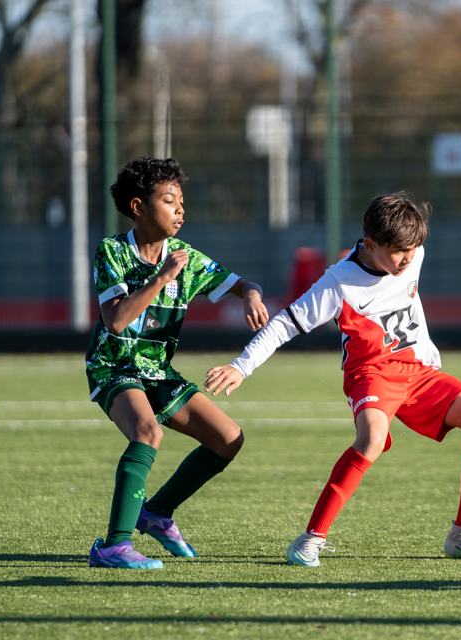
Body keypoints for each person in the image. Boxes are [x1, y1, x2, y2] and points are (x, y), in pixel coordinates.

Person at [205, 193, 461, 566]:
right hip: (372, 374)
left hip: (419, 372)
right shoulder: (338, 283)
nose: (409, 259)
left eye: (414, 249)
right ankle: (310, 539)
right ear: (370, 245)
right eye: (399, 252)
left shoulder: (412, 254)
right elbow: (284, 324)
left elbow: (406, 281)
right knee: (372, 440)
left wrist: (424, 344)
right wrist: (241, 365)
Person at [86, 156, 269, 569]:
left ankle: (157, 512)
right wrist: (161, 278)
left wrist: (253, 295)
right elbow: (115, 321)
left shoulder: (184, 256)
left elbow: (244, 284)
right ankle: (113, 546)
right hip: (114, 366)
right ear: (138, 207)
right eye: (169, 200)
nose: (180, 209)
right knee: (147, 432)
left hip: (157, 371)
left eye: (181, 201)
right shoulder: (112, 252)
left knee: (228, 439)